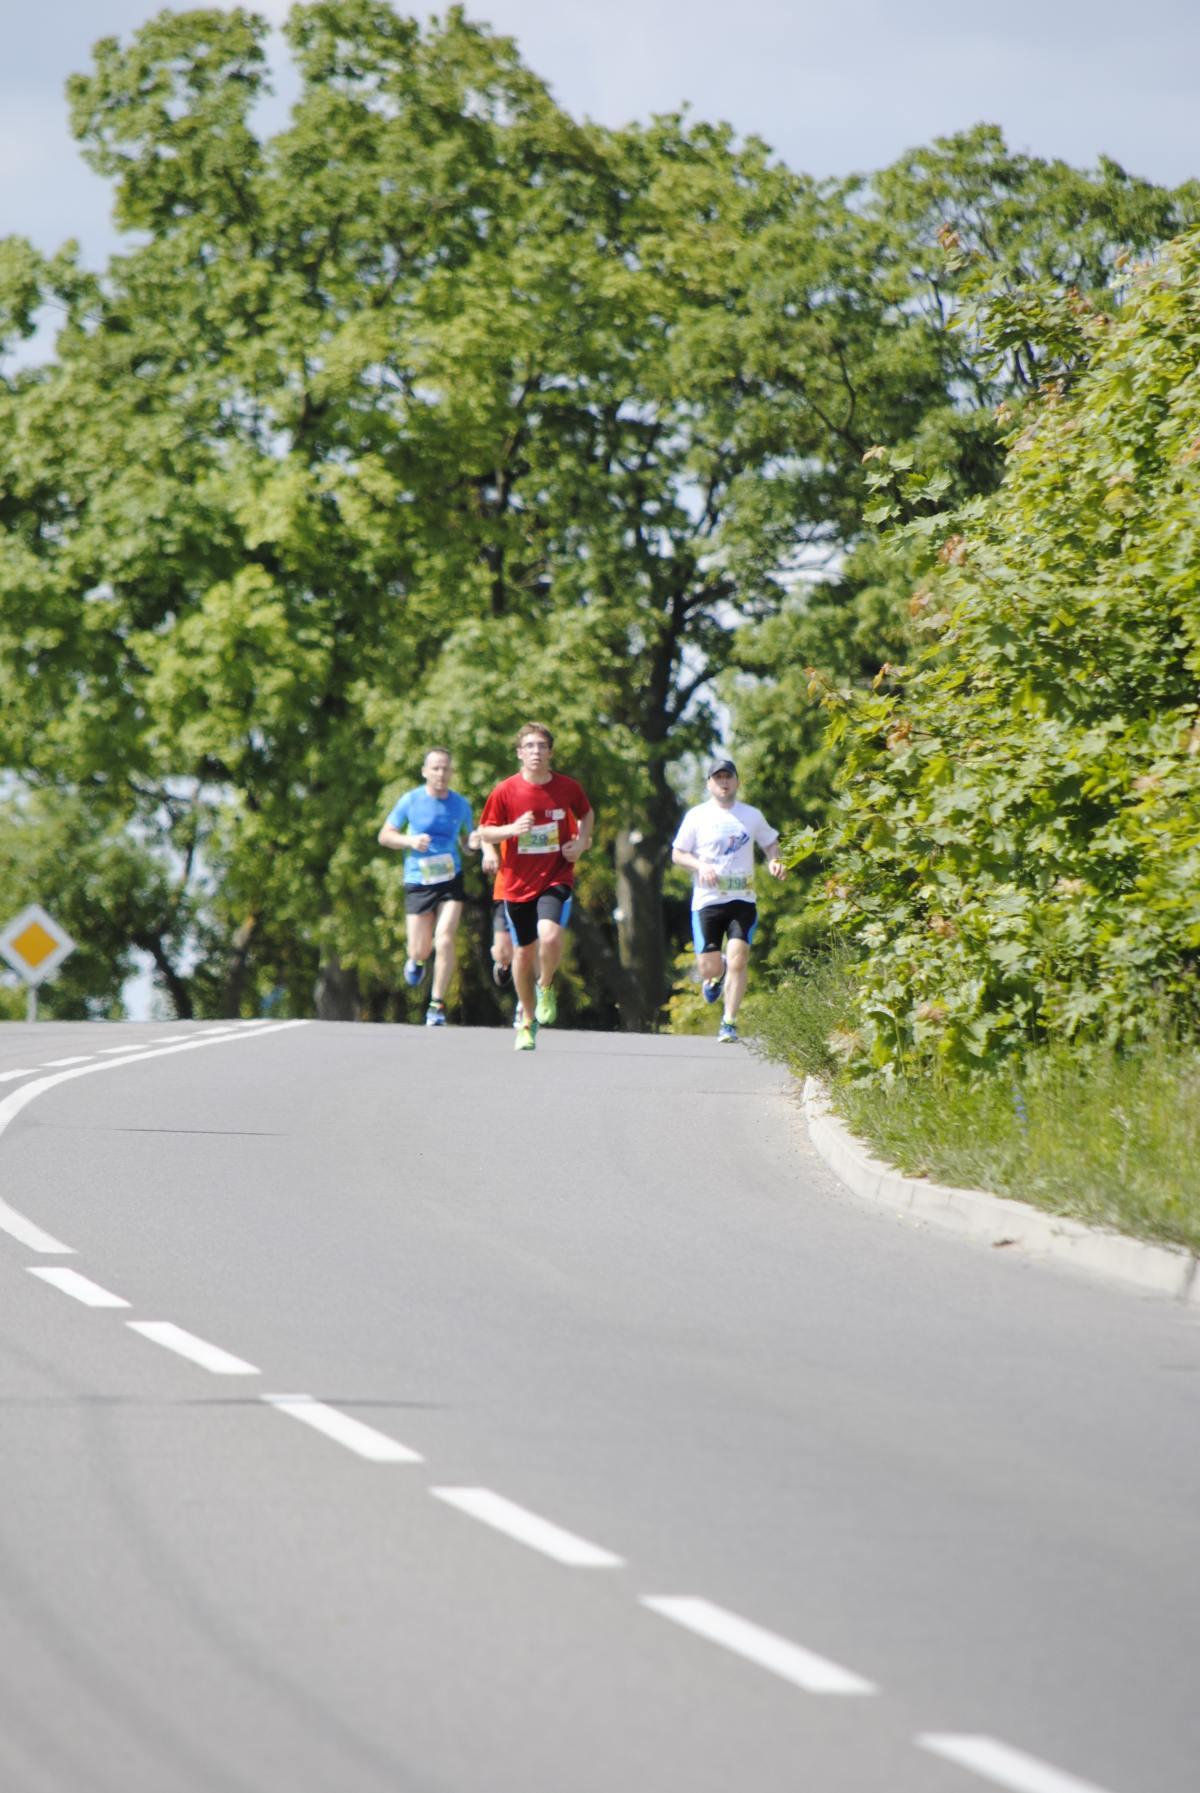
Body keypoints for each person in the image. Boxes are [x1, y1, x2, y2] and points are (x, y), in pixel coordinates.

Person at [478, 723, 593, 1051]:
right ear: (519, 753)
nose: (536, 752)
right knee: (523, 953)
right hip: (517, 883)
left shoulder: (567, 787)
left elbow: (586, 814)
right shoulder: (505, 790)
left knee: (550, 935)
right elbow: (485, 831)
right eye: (529, 746)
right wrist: (513, 829)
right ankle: (527, 1021)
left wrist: (581, 842)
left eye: (542, 746)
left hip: (555, 875)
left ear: (550, 752)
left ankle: (546, 985)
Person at [671, 757, 787, 1044]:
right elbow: (678, 853)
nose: (723, 782)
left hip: (742, 899)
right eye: (718, 778)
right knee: (708, 968)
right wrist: (700, 866)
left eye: (728, 777)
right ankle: (715, 973)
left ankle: (729, 1022)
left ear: (737, 782)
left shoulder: (751, 815)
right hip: (707, 901)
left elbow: (770, 843)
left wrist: (774, 860)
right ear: (709, 784)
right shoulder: (697, 816)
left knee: (739, 959)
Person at [378, 747, 477, 1027]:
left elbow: (467, 842)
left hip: (450, 878)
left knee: (444, 939)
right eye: (435, 768)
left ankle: (437, 1005)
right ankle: (417, 960)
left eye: (445, 768)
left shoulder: (461, 804)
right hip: (418, 880)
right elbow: (385, 836)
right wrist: (410, 841)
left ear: (452, 772)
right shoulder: (410, 800)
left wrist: (473, 844)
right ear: (425, 772)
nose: (441, 773)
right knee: (419, 949)